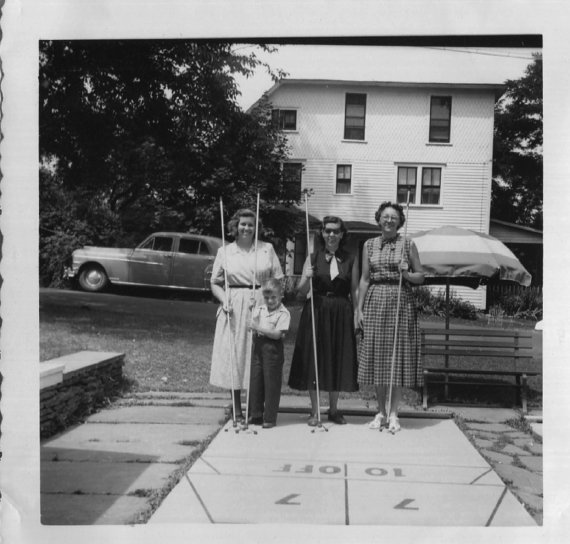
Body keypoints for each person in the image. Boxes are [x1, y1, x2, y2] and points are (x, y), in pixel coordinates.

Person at [210, 208, 284, 423]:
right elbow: (215, 282)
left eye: (251, 224)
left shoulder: (266, 249)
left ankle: (256, 410)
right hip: (233, 305)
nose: (246, 228)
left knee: (258, 356)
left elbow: (278, 279)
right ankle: (236, 408)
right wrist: (224, 300)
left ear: (256, 227)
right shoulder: (225, 251)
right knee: (235, 354)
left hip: (262, 303)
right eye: (243, 224)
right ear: (235, 226)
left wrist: (267, 297)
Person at [356, 201, 425, 433]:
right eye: (385, 216)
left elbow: (421, 277)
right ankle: (380, 412)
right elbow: (365, 279)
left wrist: (406, 272)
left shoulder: (408, 244)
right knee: (378, 359)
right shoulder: (369, 245)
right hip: (375, 300)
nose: (389, 220)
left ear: (399, 221)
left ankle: (394, 413)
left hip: (399, 301)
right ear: (378, 219)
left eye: (393, 217)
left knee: (397, 358)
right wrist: (359, 309)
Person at [288, 216, 359, 426]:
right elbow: (300, 292)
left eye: (336, 231)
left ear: (342, 234)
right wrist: (305, 278)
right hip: (316, 310)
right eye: (327, 230)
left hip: (341, 311)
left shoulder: (351, 258)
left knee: (338, 357)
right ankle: (315, 411)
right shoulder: (312, 257)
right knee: (314, 359)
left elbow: (354, 290)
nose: (331, 235)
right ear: (322, 233)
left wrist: (357, 314)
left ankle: (334, 409)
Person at [247, 278, 291, 429]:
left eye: (274, 297)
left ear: (281, 296)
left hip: (273, 350)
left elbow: (277, 334)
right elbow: (250, 325)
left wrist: (258, 328)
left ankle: (270, 417)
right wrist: (250, 310)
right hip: (258, 348)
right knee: (256, 379)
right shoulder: (260, 309)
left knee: (271, 383)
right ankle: (256, 413)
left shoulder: (284, 313)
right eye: (266, 298)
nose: (270, 301)